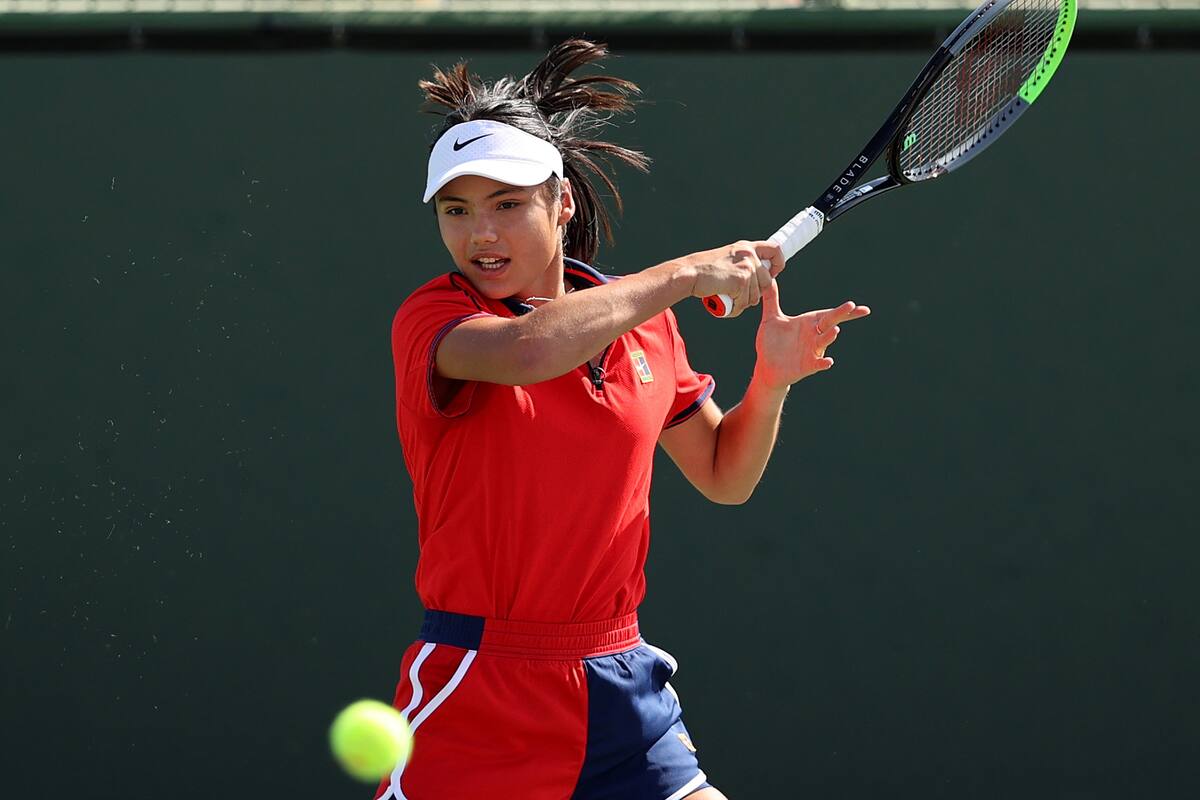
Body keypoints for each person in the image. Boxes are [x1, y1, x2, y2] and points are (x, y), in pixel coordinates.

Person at [380, 39, 870, 800]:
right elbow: (525, 350)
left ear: (562, 201)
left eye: (507, 204)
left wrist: (770, 380)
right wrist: (680, 275)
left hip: (619, 682)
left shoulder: (646, 327)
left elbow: (723, 476)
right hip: (482, 693)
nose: (481, 234)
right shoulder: (437, 317)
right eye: (457, 209)